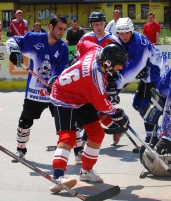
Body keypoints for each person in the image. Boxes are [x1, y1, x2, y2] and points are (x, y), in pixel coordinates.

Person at [49, 41, 129, 192]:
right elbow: (103, 105)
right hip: (63, 98)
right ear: (108, 62)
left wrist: (76, 64)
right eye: (120, 64)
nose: (122, 67)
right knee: (68, 136)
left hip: (81, 96)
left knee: (97, 133)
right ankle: (58, 177)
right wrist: (118, 115)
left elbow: (81, 44)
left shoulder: (97, 50)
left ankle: (86, 171)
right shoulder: (95, 77)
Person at [6, 15, 69, 163]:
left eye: (64, 30)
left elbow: (62, 70)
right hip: (34, 93)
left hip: (54, 93)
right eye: (59, 29)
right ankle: (20, 150)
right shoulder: (34, 39)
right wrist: (14, 52)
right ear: (51, 27)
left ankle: (78, 150)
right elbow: (12, 40)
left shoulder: (63, 48)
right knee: (25, 121)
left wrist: (54, 82)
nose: (62, 32)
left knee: (69, 122)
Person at [112, 17, 169, 151]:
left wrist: (115, 88)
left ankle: (152, 139)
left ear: (131, 31)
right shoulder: (119, 40)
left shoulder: (138, 44)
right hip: (147, 75)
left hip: (156, 74)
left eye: (127, 32)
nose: (124, 35)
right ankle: (154, 136)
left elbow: (131, 72)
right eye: (121, 32)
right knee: (139, 104)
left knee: (148, 107)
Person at [72, 11, 121, 162]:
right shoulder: (85, 38)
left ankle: (115, 128)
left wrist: (114, 80)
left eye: (101, 24)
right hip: (87, 83)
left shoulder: (112, 39)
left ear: (104, 24)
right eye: (95, 24)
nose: (98, 27)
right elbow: (77, 59)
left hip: (103, 84)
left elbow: (119, 63)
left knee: (99, 112)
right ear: (91, 25)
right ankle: (83, 145)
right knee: (89, 113)